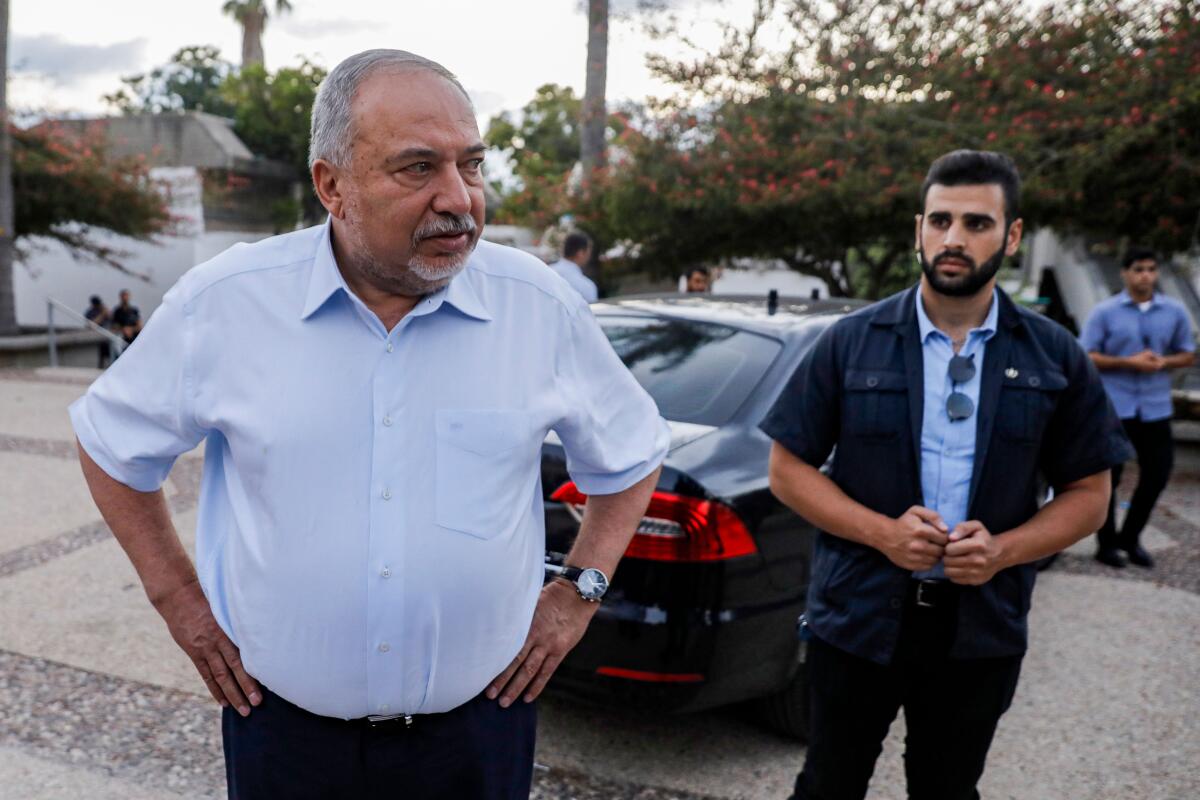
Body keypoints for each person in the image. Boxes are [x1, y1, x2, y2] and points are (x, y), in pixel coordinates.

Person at [70, 49, 669, 800]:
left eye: (471, 165)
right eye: (418, 168)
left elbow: (634, 452)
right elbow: (110, 445)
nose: (460, 199)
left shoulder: (535, 305)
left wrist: (578, 591)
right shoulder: (225, 305)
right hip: (285, 740)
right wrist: (178, 602)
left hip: (480, 735)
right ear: (332, 186)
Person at [760, 149, 1131, 800]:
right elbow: (787, 470)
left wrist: (1003, 552)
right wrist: (883, 534)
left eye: (977, 223)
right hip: (857, 621)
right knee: (827, 785)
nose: (954, 239)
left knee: (947, 790)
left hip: (979, 630)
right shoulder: (853, 341)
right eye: (940, 221)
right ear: (918, 229)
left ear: (1012, 236)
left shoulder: (1055, 356)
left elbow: (1090, 496)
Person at [1080, 247, 1196, 568]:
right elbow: (1086, 355)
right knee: (1108, 479)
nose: (1145, 275)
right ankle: (1106, 545)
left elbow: (1187, 354)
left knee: (1157, 474)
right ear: (1126, 273)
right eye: (1139, 269)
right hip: (1115, 408)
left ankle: (1130, 538)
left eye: (1150, 269)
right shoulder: (1105, 312)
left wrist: (1163, 362)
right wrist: (1127, 362)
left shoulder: (1173, 312)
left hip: (1155, 408)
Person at [548, 231, 599, 303]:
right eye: (589, 252)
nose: (589, 256)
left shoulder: (546, 271)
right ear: (580, 253)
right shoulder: (586, 286)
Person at [83, 295, 112, 367]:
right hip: (96, 336)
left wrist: (107, 312)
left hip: (107, 335)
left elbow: (112, 319)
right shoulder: (90, 312)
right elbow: (91, 325)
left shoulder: (104, 310)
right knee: (101, 353)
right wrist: (102, 314)